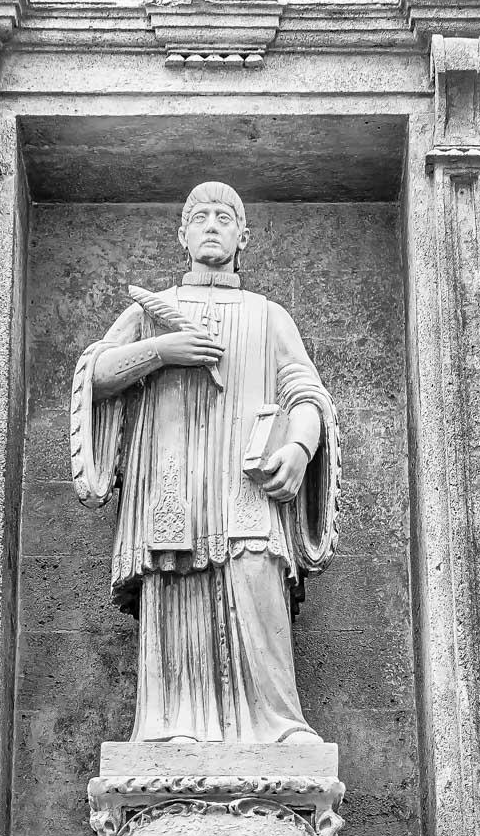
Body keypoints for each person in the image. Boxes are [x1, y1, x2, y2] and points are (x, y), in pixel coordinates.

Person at [70, 182, 339, 744]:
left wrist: (299, 448)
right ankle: (171, 728)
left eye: (225, 217)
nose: (211, 225)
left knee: (256, 573)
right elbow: (97, 375)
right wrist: (163, 352)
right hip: (173, 476)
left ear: (244, 236)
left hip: (248, 483)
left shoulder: (268, 316)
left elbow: (305, 394)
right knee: (175, 581)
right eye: (199, 217)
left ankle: (277, 726)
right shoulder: (150, 311)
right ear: (182, 235)